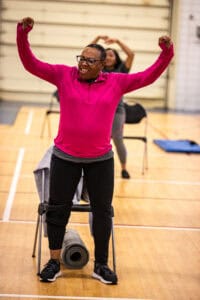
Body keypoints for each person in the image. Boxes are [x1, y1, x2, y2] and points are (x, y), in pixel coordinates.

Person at [16, 17, 174, 285]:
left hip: (100, 161)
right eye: (82, 57)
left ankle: (101, 265)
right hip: (64, 157)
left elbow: (149, 76)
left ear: (103, 65)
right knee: (58, 210)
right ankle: (54, 261)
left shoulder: (116, 82)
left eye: (90, 60)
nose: (83, 63)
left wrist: (166, 53)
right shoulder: (63, 74)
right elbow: (31, 63)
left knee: (102, 212)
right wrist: (23, 34)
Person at [91, 36, 134, 179]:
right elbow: (88, 52)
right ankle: (96, 167)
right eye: (106, 55)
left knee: (117, 139)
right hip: (97, 111)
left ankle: (123, 168)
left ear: (116, 59)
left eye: (111, 55)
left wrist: (118, 41)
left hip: (117, 112)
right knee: (97, 140)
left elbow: (131, 55)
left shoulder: (121, 71)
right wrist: (97, 38)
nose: (108, 57)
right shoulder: (96, 71)